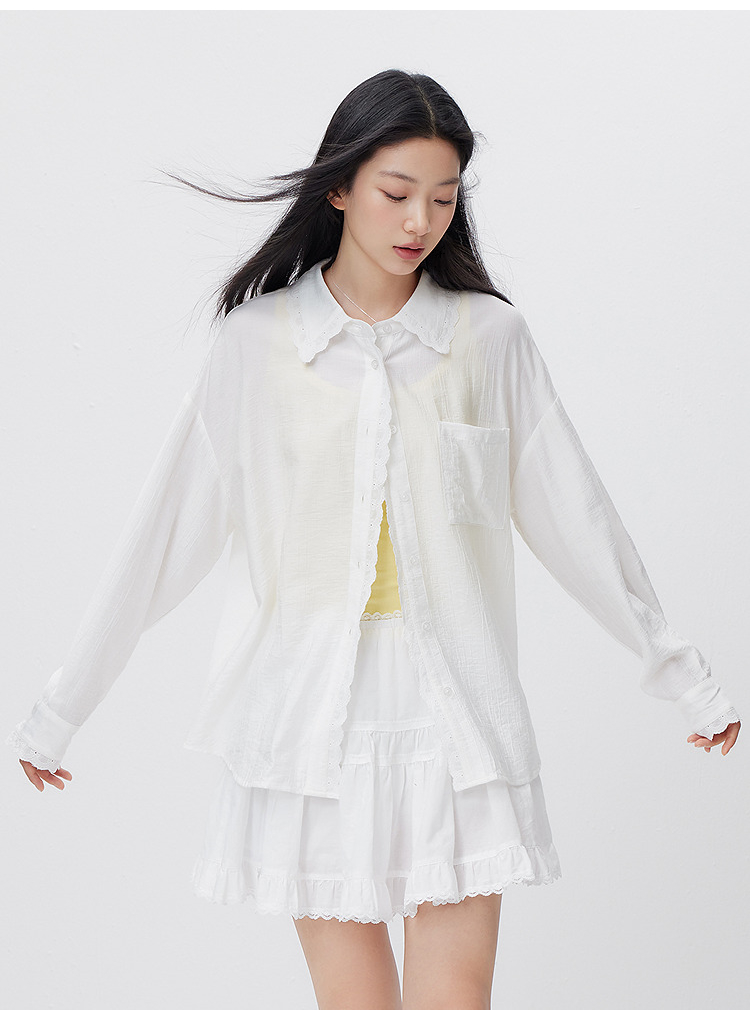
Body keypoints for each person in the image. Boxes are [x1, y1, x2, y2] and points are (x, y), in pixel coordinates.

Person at [8, 68, 741, 1009]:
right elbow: (161, 539)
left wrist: (683, 675)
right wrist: (62, 709)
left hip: (458, 727)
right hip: (311, 734)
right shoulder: (255, 345)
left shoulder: (489, 338)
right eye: (397, 194)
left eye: (443, 198)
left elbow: (578, 518)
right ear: (340, 188)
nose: (419, 222)